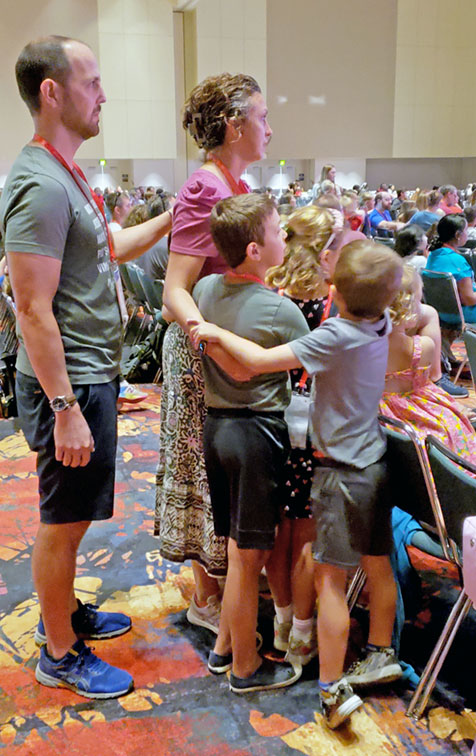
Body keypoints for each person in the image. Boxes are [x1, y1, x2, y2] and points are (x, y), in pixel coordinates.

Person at [0, 36, 172, 699]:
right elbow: (33, 310)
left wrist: (170, 218)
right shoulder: (39, 183)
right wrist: (66, 408)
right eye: (93, 81)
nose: (104, 94)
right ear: (52, 91)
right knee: (62, 521)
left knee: (72, 521)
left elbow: (112, 246)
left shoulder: (69, 172)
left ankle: (66, 616)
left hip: (91, 375)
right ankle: (60, 654)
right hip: (66, 385)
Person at [189, 241, 404, 730]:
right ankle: (380, 651)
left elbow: (259, 360)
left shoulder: (334, 334)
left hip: (337, 473)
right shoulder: (382, 323)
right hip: (374, 462)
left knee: (330, 581)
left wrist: (214, 331)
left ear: (333, 292)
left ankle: (330, 690)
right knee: (377, 563)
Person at [155, 73, 272, 635]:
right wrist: (210, 335)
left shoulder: (228, 182)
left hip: (214, 342)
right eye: (264, 117)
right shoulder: (208, 186)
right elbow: (174, 287)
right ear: (235, 125)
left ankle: (219, 586)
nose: (270, 129)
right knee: (205, 467)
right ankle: (208, 594)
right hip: (199, 347)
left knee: (212, 467)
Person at [192, 193, 308, 692]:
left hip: (216, 431)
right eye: (279, 231)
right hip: (257, 433)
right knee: (247, 558)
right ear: (256, 249)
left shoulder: (204, 290)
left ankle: (224, 648)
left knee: (237, 550)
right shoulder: (283, 312)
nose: (286, 237)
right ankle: (245, 666)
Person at [264, 204, 342, 667]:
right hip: (317, 424)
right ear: (326, 248)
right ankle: (301, 633)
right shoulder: (334, 297)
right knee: (308, 531)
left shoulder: (272, 288)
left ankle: (280, 620)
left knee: (278, 529)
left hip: (272, 416)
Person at [380, 265, 476, 467]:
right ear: (406, 310)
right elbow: (428, 390)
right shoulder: (421, 348)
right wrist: (455, 409)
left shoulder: (348, 347)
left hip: (389, 428)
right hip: (421, 433)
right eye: (418, 301)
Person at [425, 214, 476, 324]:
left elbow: (454, 289)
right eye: (466, 230)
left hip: (442, 312)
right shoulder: (456, 260)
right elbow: (469, 300)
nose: (468, 233)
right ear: (458, 235)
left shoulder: (433, 255)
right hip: (463, 314)